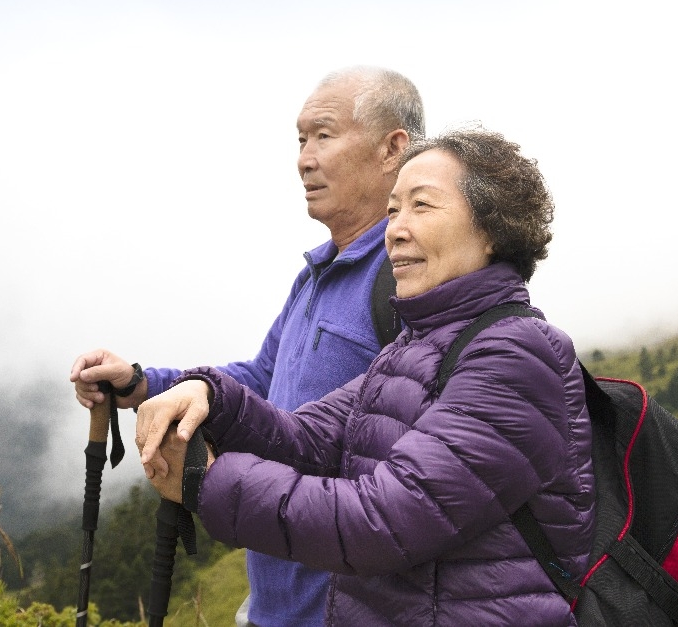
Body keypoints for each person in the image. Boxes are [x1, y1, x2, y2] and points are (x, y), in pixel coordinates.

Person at [135, 127, 597, 626]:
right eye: (393, 209)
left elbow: (385, 521)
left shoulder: (518, 355)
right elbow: (306, 441)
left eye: (422, 205)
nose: (394, 229)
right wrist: (213, 396)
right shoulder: (415, 346)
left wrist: (208, 483)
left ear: (491, 230)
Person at [70, 66, 425, 626]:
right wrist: (141, 384)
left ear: (392, 148)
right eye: (300, 140)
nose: (304, 158)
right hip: (273, 606)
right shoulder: (317, 274)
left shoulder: (411, 281)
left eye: (324, 135)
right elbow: (261, 379)